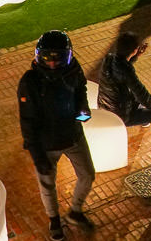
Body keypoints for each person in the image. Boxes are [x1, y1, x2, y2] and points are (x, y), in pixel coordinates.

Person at [18, 31, 95, 240]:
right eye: (47, 58)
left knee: (88, 174)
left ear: (68, 56)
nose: (52, 64)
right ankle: (54, 220)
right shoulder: (30, 82)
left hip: (73, 136)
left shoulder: (73, 70)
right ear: (38, 56)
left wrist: (83, 110)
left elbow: (81, 90)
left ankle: (75, 212)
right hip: (46, 144)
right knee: (47, 185)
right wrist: (36, 154)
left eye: (58, 58)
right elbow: (27, 121)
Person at [97, 32, 151, 154]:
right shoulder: (126, 71)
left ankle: (144, 121)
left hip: (106, 107)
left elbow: (120, 69)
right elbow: (143, 96)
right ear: (134, 49)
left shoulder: (109, 58)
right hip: (122, 114)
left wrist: (135, 56)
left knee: (140, 100)